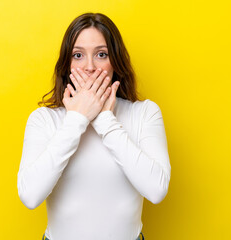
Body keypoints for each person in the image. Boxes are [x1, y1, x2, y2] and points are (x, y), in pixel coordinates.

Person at [17, 12, 171, 240]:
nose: (89, 66)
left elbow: (156, 190)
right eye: (78, 55)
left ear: (115, 62)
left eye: (101, 54)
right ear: (67, 65)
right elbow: (30, 196)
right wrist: (77, 119)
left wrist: (104, 119)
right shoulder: (44, 119)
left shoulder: (144, 113)